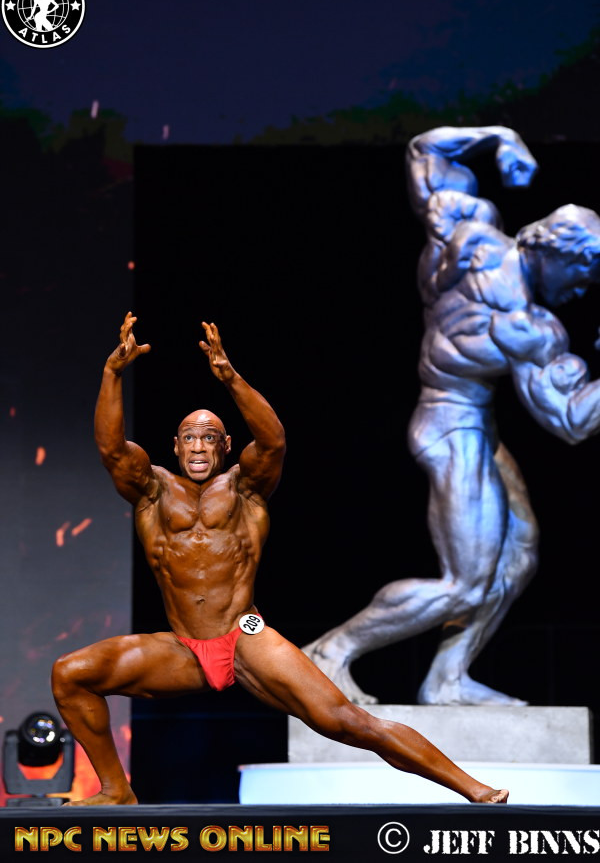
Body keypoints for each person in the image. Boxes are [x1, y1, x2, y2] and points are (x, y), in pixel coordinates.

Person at [51, 313, 508, 805]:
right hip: (183, 647)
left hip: (244, 637)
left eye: (210, 436)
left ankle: (474, 789)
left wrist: (229, 377)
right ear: (176, 446)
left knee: (347, 722)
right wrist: (112, 374)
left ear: (226, 445)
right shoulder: (152, 492)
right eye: (190, 437)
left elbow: (273, 441)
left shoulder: (246, 488)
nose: (199, 445)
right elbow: (111, 449)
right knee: (70, 675)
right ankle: (117, 790)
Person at [304, 126, 600, 707]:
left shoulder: (466, 234)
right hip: (452, 427)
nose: (584, 291)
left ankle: (447, 678)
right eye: (585, 275)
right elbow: (570, 421)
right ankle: (330, 653)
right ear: (562, 255)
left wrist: (501, 137)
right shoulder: (525, 326)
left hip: (471, 422)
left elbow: (426, 150)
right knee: (464, 583)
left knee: (518, 555)